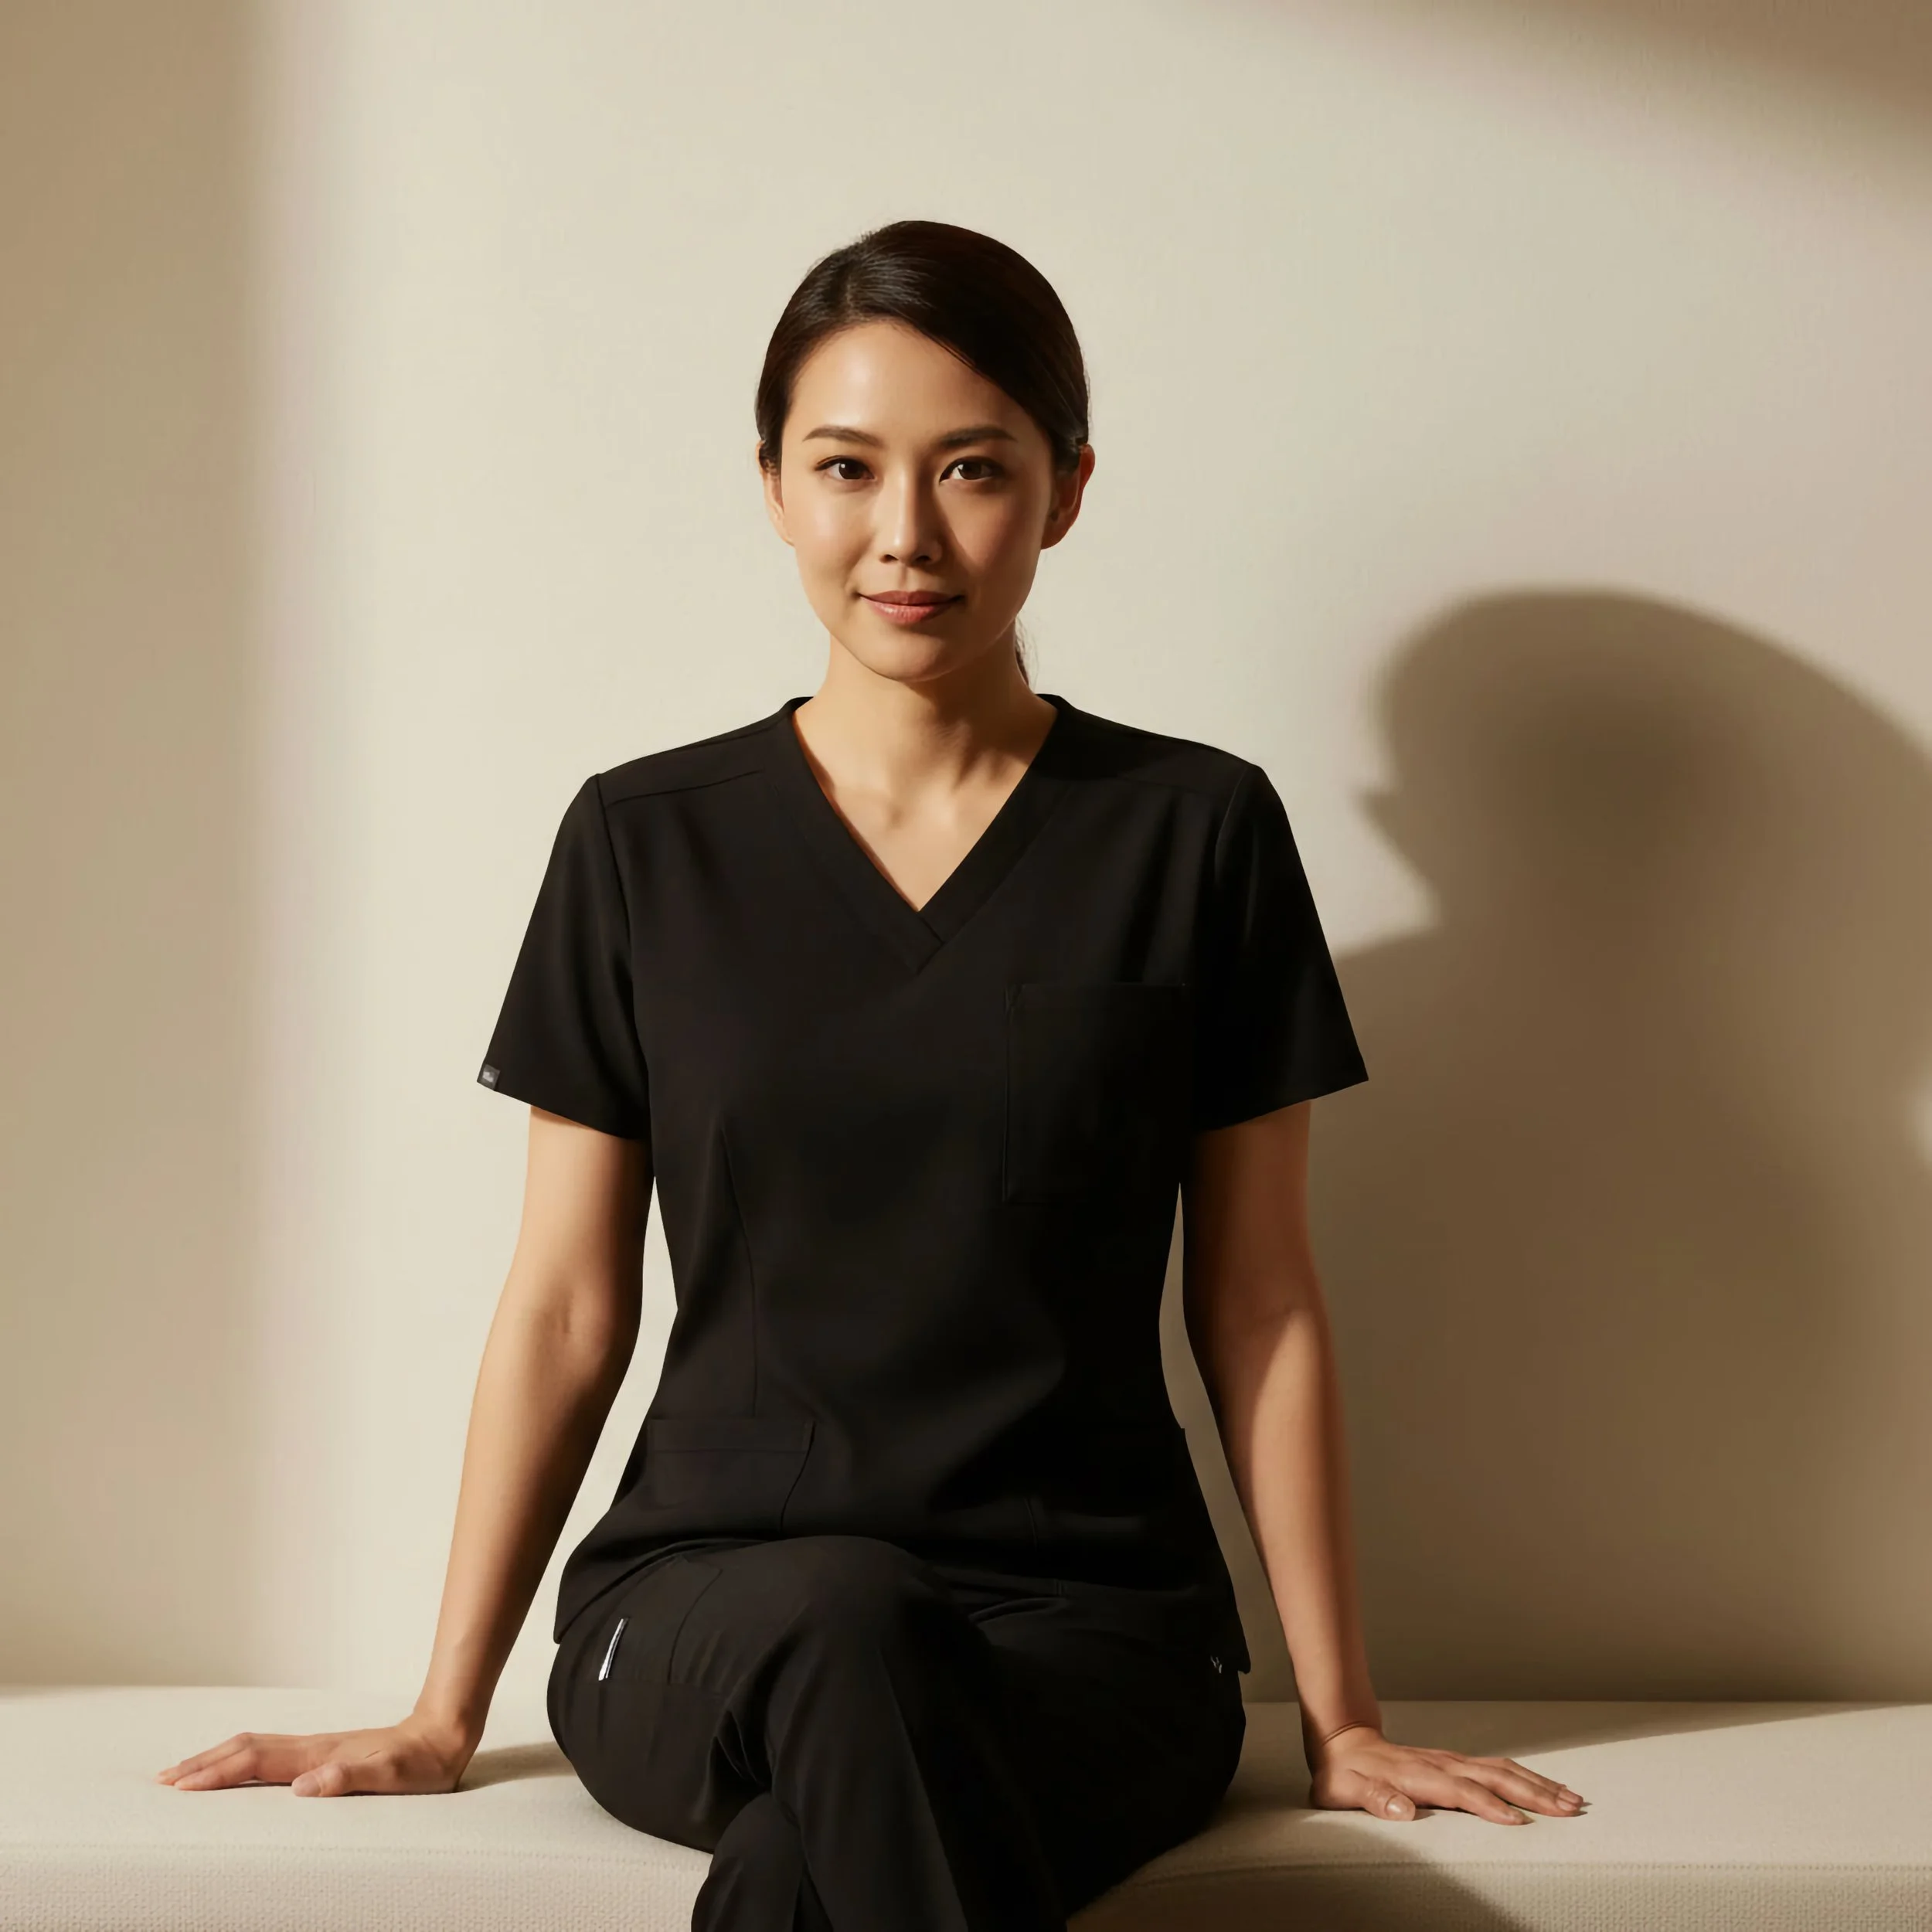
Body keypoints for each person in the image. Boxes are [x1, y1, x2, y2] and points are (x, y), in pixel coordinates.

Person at [155, 219, 1585, 1927]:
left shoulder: (1193, 834)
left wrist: (1341, 1713)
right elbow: (559, 1304)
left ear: (1063, 489)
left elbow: (1259, 1300)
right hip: (696, 1613)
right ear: (772, 485)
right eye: (846, 468)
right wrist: (444, 1705)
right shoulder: (640, 841)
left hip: (1095, 1631)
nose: (904, 534)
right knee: (841, 1615)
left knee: (799, 1861)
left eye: (974, 469)